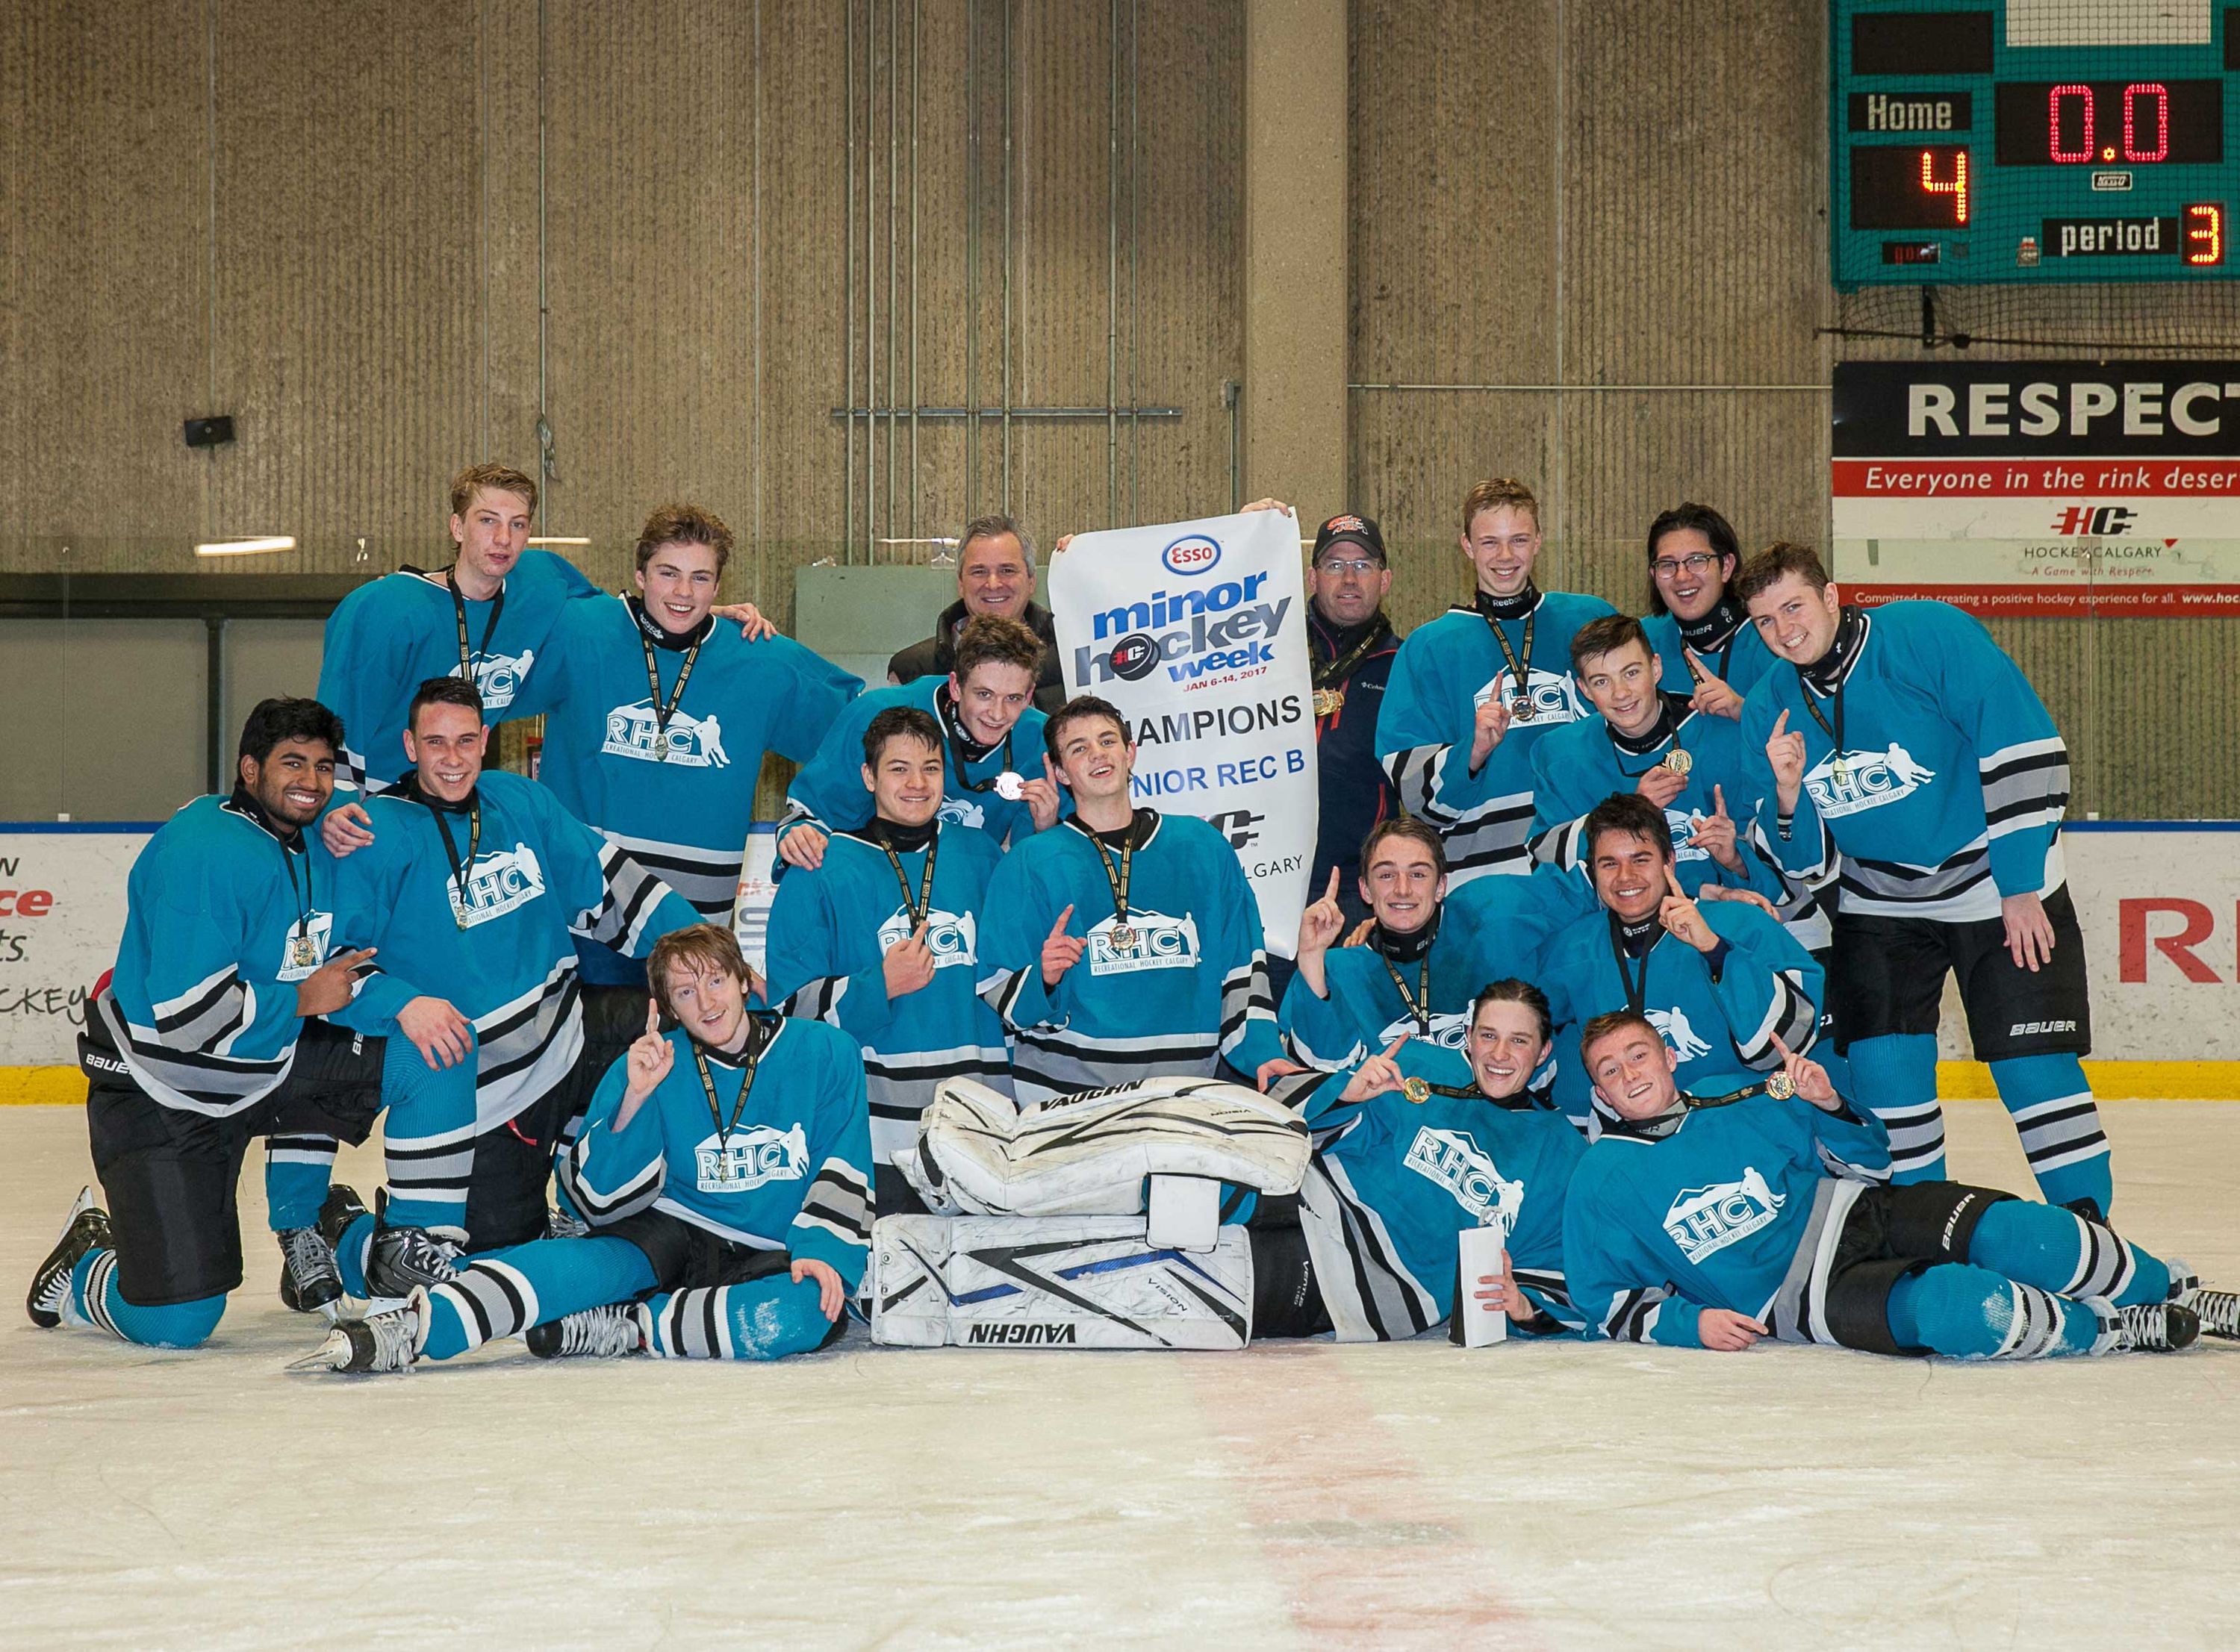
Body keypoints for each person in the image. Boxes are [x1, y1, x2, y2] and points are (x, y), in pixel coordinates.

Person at [290, 925, 871, 1372]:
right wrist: (635, 1102)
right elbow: (591, 1201)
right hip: (670, 1230)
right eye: (686, 991)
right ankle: (406, 1321)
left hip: (767, 1246)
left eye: (717, 980)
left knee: (806, 1313)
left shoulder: (825, 1051)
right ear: (668, 1006)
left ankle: (631, 1328)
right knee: (562, 1267)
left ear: (745, 979)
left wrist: (822, 1247)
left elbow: (844, 1160)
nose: (708, 1002)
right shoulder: (648, 1062)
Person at [1735, 542, 2110, 1216]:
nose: (1783, 629)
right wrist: (1789, 796)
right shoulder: (1768, 709)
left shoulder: (1928, 633)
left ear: (1831, 595)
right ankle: (1924, 1233)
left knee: (2034, 1069)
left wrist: (2020, 884)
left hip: (1996, 886)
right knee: (1885, 1078)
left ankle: (2091, 1235)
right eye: (1764, 620)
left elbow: (2024, 742)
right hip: (1879, 901)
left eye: (1793, 606)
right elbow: (1801, 864)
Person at [26, 699, 411, 1347]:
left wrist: (343, 802)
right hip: (163, 1092)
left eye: (323, 767)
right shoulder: (203, 851)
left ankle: (313, 1223)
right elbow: (188, 1017)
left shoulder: (309, 822)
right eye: (293, 763)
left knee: (407, 1049)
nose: (311, 782)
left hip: (264, 1070)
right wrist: (302, 999)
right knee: (179, 1320)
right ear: (249, 768)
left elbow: (341, 799)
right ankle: (87, 1261)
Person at [318, 677, 702, 1294]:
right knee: (481, 1262)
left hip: (568, 1045)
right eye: (436, 741)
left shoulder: (521, 801)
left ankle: (592, 1199)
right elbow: (333, 965)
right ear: (409, 745)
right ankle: (347, 1229)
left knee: (663, 1022)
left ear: (486, 741)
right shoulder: (374, 831)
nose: (452, 757)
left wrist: (710, 961)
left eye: (466, 740)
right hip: (481, 1090)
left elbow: (615, 890)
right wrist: (404, 1002)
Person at [1561, 1009, 2236, 1357]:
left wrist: (1830, 1107)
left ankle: (2178, 1293)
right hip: (1806, 1298)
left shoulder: (1732, 1092)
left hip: (1863, 1210)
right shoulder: (1599, 1180)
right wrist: (1689, 1322)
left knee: (2024, 1233)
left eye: (1638, 1054)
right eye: (1610, 1070)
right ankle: (2112, 1329)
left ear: (1669, 1055)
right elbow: (1604, 1299)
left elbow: (1872, 1162)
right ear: (1599, 1092)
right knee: (1955, 1308)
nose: (1630, 1073)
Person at [475, 501, 859, 980]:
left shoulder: (760, 659)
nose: (683, 592)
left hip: (694, 938)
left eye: (700, 579)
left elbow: (865, 736)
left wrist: (814, 819)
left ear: (719, 587)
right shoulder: (581, 631)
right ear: (639, 576)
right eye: (667, 574)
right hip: (583, 915)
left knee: (681, 1057)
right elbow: (508, 586)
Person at [765, 705, 1012, 1215]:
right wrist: (878, 985)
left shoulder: (984, 856)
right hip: (873, 1135)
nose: (917, 783)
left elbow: (1013, 987)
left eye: (931, 768)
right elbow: (787, 1015)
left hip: (981, 1129)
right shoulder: (819, 865)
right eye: (899, 768)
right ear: (868, 776)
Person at [977, 695, 1283, 1103]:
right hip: (1069, 1103)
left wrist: (1262, 1051)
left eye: (1107, 741)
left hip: (1185, 1095)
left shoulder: (1202, 846)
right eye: (1078, 748)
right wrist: (1044, 981)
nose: (1097, 755)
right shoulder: (1029, 862)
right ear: (1059, 771)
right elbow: (995, 983)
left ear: (1130, 752)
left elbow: (1242, 964)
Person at [1257, 980, 1588, 1341]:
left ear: (1544, 1052)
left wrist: (1525, 1307)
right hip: (1308, 1196)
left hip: (1357, 1278)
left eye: (1519, 1041)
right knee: (1199, 1193)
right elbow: (1295, 1131)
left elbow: (1564, 1279)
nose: (1499, 1054)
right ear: (1468, 1036)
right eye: (1488, 1036)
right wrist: (1347, 1093)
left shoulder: (1563, 1154)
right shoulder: (1416, 1062)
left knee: (1219, 1283)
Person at [1377, 477, 1618, 883]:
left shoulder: (1589, 620)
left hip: (1592, 870)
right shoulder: (1427, 648)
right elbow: (1413, 790)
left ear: (1539, 540)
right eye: (1489, 542)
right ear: (1467, 546)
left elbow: (1638, 723)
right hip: (1483, 883)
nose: (1505, 556)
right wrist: (1473, 753)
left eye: (1519, 540)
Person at [1534, 794, 1824, 1129]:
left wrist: (1714, 950)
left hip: (1740, 1125)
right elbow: (1525, 1028)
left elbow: (1791, 1041)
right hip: (1637, 1141)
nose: (1625, 877)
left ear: (1669, 862)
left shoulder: (1742, 924)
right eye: (1609, 864)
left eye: (1640, 860)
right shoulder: (1573, 949)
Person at [1528, 614, 1819, 946]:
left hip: (1748, 929)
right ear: (1584, 690)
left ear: (1656, 668)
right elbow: (1544, 859)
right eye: (1601, 681)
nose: (1621, 693)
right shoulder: (1559, 754)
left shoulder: (1728, 738)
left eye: (1631, 673)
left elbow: (1794, 867)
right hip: (1632, 939)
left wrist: (1734, 859)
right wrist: (1632, 811)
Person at [315, 464, 596, 794]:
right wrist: (338, 808)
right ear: (458, 527)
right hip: (381, 799)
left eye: (517, 525)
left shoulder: (542, 582)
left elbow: (611, 621)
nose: (503, 538)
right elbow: (338, 724)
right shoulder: (387, 609)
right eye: (488, 520)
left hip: (458, 801)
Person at [778, 614, 1059, 870]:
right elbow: (813, 815)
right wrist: (802, 834)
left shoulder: (1043, 742)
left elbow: (1037, 866)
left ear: (1030, 693)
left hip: (966, 891)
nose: (998, 714)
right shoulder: (875, 716)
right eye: (984, 695)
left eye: (1013, 698)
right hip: (872, 881)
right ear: (956, 686)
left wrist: (1046, 829)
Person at [1282, 818, 1503, 1096]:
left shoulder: (1485, 951)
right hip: (1384, 1133)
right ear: (1365, 889)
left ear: (1440, 887)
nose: (1402, 889)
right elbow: (1324, 1072)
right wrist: (1313, 959)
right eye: (1386, 875)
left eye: (1418, 875)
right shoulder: (1335, 970)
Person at [1303, 513, 1403, 927]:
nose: (1349, 579)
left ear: (1385, 579)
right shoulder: (1266, 651)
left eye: (1362, 566)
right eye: (1335, 565)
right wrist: (1246, 536)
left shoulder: (1406, 666)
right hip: (1267, 875)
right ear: (1313, 578)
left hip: (1361, 887)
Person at [886, 514, 1065, 713]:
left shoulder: (1072, 659)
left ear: (1032, 581)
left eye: (1007, 570)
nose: (993, 584)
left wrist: (1086, 561)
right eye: (979, 572)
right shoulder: (912, 670)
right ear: (961, 584)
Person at [1638, 503, 1778, 714]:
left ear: (1726, 567)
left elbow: (1809, 732)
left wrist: (1743, 710)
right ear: (1653, 575)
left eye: (1697, 561)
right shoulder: (1641, 641)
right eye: (1667, 564)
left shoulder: (1771, 638)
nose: (1682, 576)